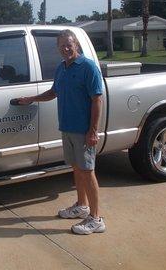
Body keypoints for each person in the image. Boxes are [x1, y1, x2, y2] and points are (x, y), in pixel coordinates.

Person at [17, 29, 105, 235]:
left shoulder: (88, 68)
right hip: (67, 127)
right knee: (76, 168)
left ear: (77, 45)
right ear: (58, 48)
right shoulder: (62, 68)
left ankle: (96, 219)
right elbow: (53, 92)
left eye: (69, 45)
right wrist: (32, 99)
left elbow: (97, 100)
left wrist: (93, 131)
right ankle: (82, 206)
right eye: (62, 46)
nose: (65, 49)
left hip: (83, 130)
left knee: (87, 171)